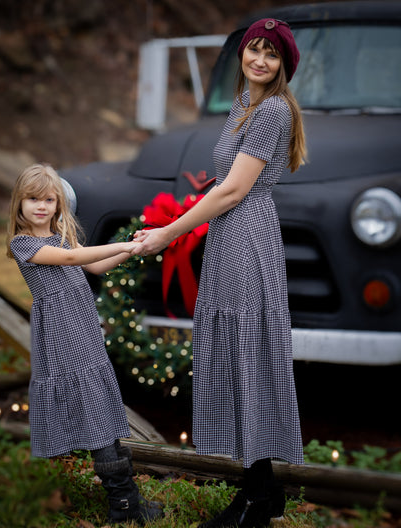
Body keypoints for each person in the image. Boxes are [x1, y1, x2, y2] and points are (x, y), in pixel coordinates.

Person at [132, 18, 306, 528]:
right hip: (231, 233)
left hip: (246, 234)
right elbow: (223, 186)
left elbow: (232, 191)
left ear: (283, 66)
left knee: (247, 351)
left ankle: (253, 499)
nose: (259, 61)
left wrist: (169, 234)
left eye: (271, 55)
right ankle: (265, 491)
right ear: (241, 56)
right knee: (238, 350)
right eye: (253, 50)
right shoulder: (242, 105)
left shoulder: (273, 110)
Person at [6, 163, 162, 526]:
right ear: (19, 204)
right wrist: (121, 242)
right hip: (62, 334)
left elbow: (95, 267)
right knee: (93, 410)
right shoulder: (24, 243)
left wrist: (133, 248)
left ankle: (128, 499)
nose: (41, 207)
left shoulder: (60, 237)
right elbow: (75, 259)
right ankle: (122, 506)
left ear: (59, 204)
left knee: (102, 412)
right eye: (33, 199)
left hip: (82, 329)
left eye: (49, 199)